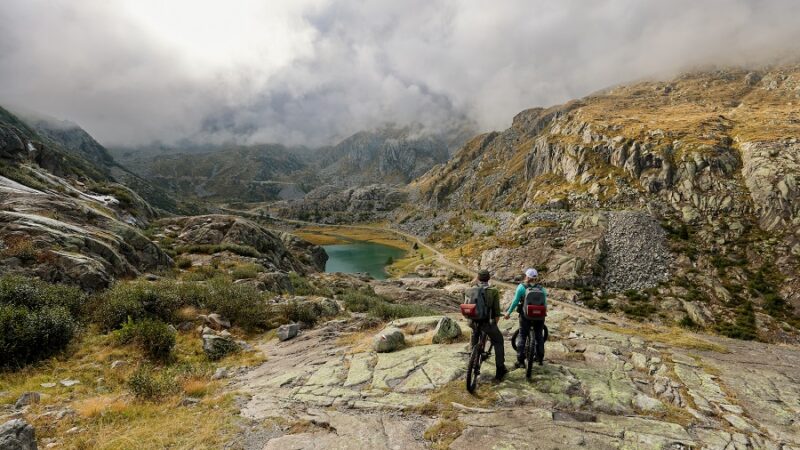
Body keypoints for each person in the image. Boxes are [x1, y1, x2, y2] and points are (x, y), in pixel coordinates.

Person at [468, 269, 507, 381]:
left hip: (473, 322)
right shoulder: (493, 291)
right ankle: (500, 369)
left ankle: (472, 357)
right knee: (498, 341)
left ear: (478, 278)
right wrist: (494, 324)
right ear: (489, 279)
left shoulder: (470, 290)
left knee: (474, 334)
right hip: (487, 323)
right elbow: (496, 312)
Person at [505, 268, 547, 368]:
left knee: (522, 335)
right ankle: (540, 358)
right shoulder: (542, 289)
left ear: (527, 276)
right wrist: (545, 312)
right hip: (539, 316)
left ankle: (520, 361)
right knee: (539, 336)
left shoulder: (521, 287)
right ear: (536, 278)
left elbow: (515, 302)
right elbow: (544, 303)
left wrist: (508, 313)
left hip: (525, 316)